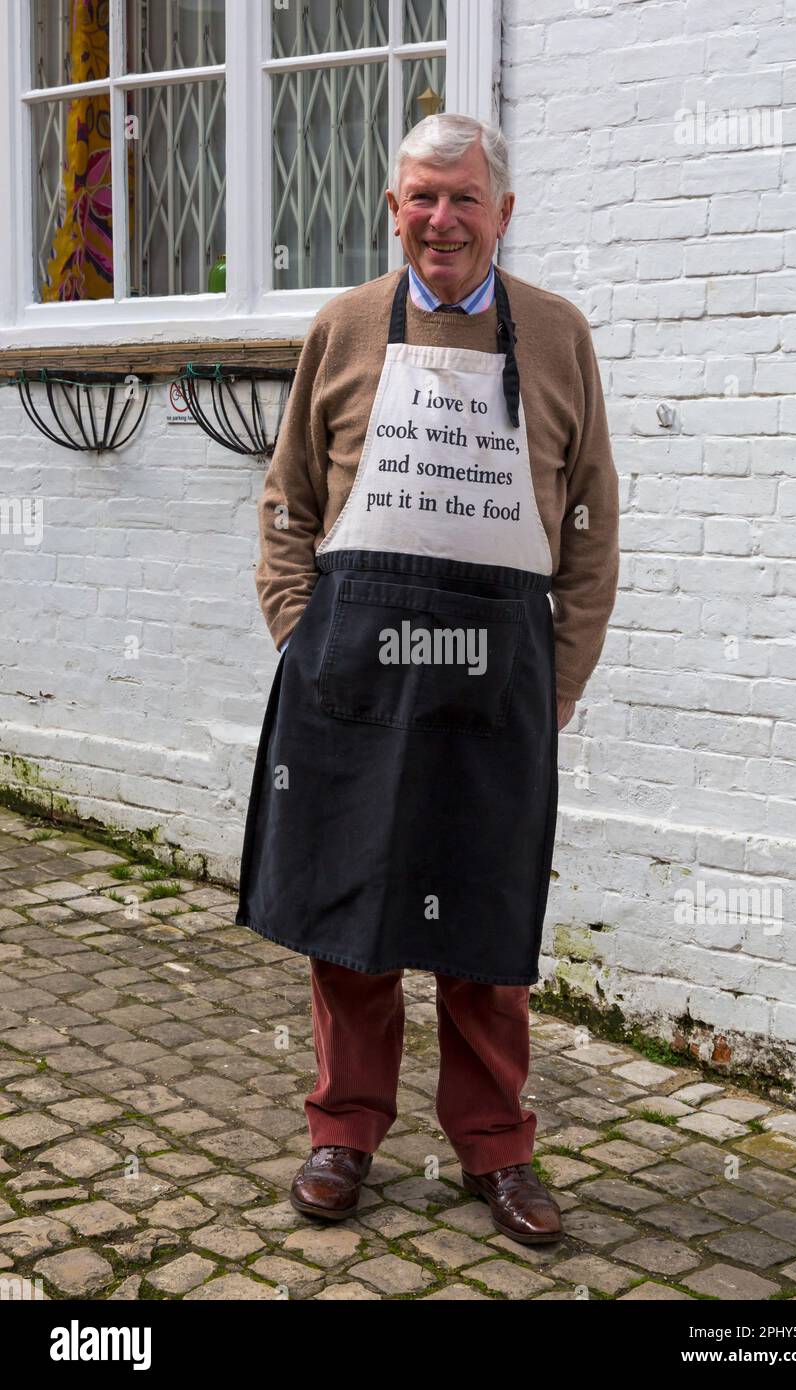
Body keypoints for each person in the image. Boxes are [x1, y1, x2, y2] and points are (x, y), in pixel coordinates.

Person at [235, 113, 620, 1245]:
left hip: (495, 686)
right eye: (419, 198)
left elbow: (590, 530)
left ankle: (495, 1152)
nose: (439, 219)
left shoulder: (553, 335)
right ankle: (342, 1134)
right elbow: (286, 502)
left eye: (462, 198)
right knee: (347, 922)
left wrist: (550, 691)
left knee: (483, 932)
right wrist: (303, 640)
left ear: (502, 212)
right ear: (391, 208)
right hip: (352, 674)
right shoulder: (344, 326)